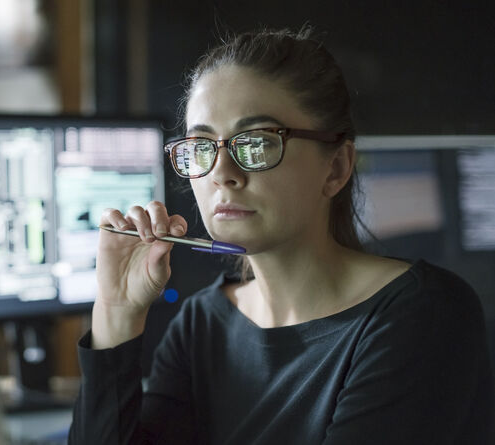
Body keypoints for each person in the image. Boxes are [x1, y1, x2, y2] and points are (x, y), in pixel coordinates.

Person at [67, 27, 495, 444]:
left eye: (257, 143)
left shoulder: (425, 315)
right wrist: (117, 312)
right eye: (201, 146)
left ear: (337, 168)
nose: (222, 174)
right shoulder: (201, 326)